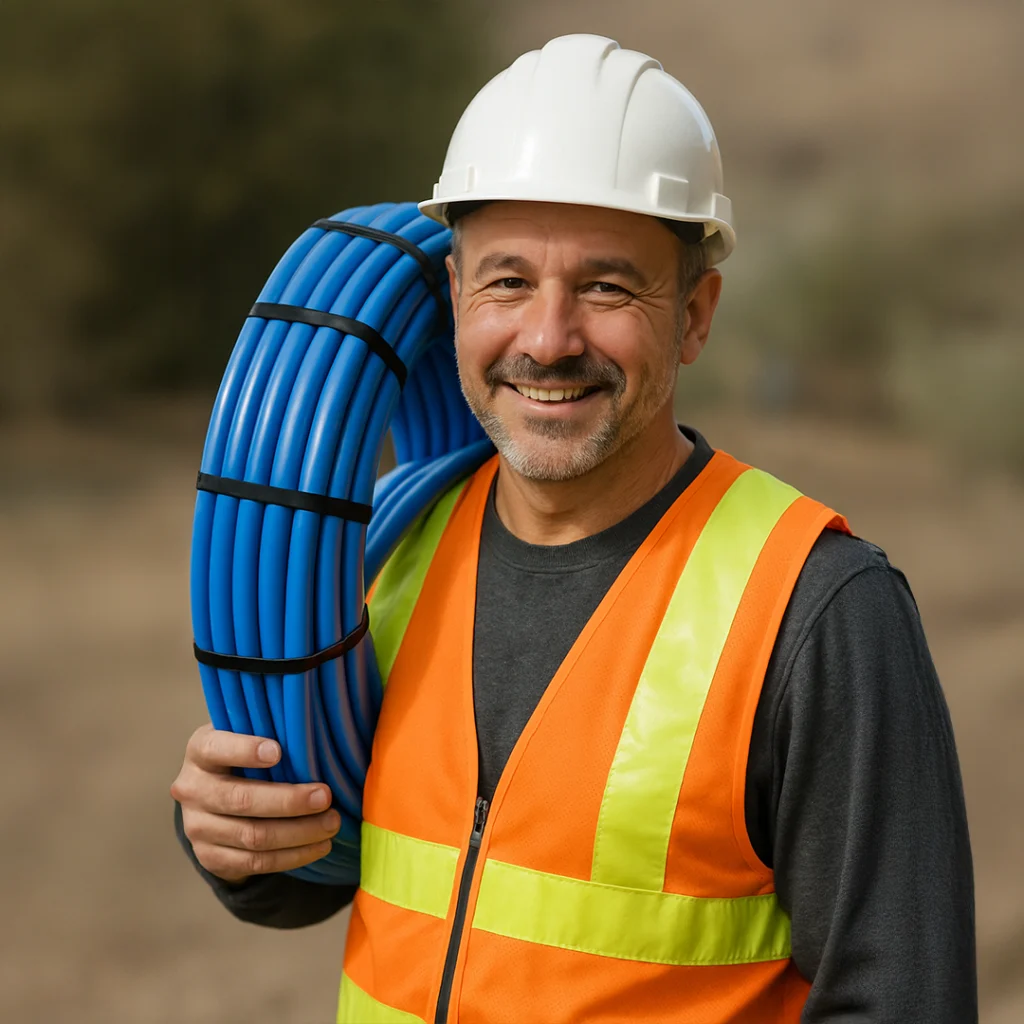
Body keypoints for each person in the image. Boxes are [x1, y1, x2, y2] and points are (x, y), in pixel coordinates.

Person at [171, 34, 976, 1023]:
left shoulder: (812, 608)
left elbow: (900, 997)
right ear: (456, 298)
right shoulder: (389, 553)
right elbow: (331, 870)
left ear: (693, 313)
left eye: (605, 286)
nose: (547, 340)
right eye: (507, 281)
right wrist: (240, 837)